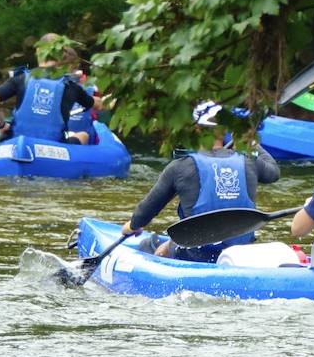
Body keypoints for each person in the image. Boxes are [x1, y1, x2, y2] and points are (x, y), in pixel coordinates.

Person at [118, 103, 283, 261]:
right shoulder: (248, 160)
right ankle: (171, 244)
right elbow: (273, 173)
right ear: (224, 130)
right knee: (169, 244)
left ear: (195, 129)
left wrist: (133, 226)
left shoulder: (180, 167)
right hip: (238, 254)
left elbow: (145, 212)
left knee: (149, 244)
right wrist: (250, 141)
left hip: (195, 256)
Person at [0, 33, 94, 144]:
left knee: (7, 130)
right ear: (61, 55)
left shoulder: (21, 79)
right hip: (54, 147)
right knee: (84, 135)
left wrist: (2, 126)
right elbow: (92, 104)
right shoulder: (71, 85)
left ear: (38, 52)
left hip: (20, 142)